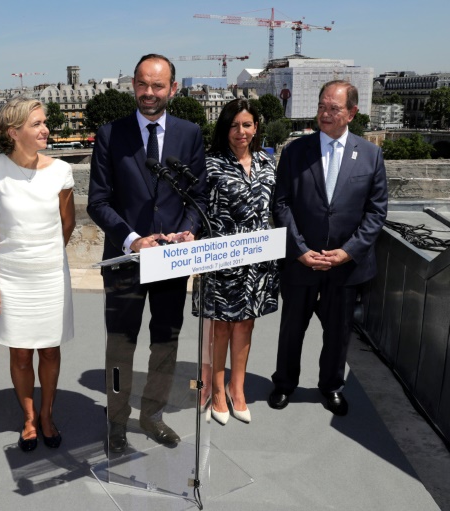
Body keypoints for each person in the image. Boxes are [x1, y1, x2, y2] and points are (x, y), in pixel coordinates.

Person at [87, 54, 207, 454]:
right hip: (126, 262)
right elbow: (98, 203)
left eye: (158, 86)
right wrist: (134, 239)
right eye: (142, 84)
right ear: (133, 85)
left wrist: (189, 229)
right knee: (120, 347)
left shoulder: (190, 134)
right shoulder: (110, 134)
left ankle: (152, 414)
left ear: (173, 88)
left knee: (165, 342)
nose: (149, 93)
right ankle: (116, 422)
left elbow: (197, 195)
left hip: (172, 262)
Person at [269, 80, 388, 416]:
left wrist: (347, 252)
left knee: (338, 333)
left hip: (345, 267)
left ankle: (331, 387)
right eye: (322, 106)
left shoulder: (371, 155)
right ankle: (284, 383)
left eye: (333, 108)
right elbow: (281, 205)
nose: (324, 113)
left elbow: (376, 212)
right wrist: (300, 249)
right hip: (300, 262)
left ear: (352, 112)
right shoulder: (295, 151)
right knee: (292, 328)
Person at [0, 97, 75, 451]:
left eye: (44, 122)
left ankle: (47, 415)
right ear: (14, 132)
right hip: (10, 277)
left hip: (50, 276)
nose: (45, 129)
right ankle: (29, 418)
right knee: (19, 354)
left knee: (49, 351)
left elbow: (67, 224)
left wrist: (45, 256)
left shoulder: (61, 171)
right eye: (36, 124)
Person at [192, 99, 279, 425]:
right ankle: (216, 389)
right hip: (221, 260)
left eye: (247, 125)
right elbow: (198, 213)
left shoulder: (268, 162)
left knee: (246, 324)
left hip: (257, 262)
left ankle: (236, 387)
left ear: (256, 127)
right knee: (221, 328)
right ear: (224, 129)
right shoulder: (210, 164)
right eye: (234, 125)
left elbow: (276, 208)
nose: (241, 131)